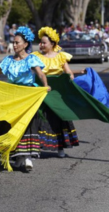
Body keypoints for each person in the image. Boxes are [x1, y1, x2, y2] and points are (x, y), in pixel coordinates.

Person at [0, 26, 50, 171]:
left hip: (26, 95)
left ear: (25, 44)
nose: (15, 45)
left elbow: (40, 73)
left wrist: (45, 85)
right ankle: (16, 156)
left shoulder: (31, 59)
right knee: (8, 124)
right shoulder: (8, 60)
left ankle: (28, 158)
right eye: (13, 42)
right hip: (11, 95)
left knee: (25, 125)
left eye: (17, 42)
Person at [32, 26, 78, 158]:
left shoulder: (61, 56)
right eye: (40, 42)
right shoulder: (35, 57)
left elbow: (67, 71)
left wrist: (70, 75)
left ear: (52, 44)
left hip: (57, 93)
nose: (41, 45)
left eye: (44, 42)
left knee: (58, 119)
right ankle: (38, 147)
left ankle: (60, 148)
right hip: (41, 92)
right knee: (40, 118)